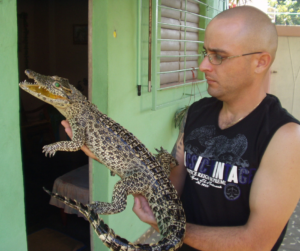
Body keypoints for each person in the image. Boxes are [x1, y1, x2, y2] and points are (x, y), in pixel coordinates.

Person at [62, 6, 300, 251]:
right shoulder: (197, 113)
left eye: (219, 56)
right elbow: (170, 187)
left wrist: (172, 229)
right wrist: (111, 157)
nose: (203, 65)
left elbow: (256, 243)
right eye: (205, 52)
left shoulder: (285, 137)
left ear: (260, 62)